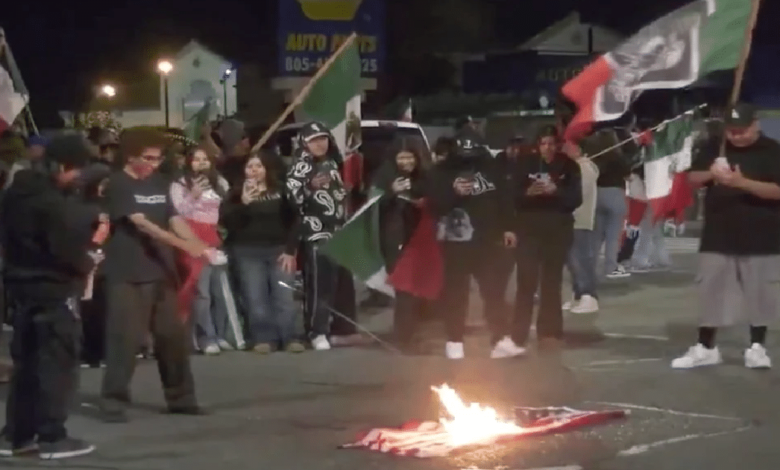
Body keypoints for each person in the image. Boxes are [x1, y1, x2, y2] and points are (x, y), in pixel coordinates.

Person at [99, 127, 210, 422]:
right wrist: (183, 244)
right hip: (128, 273)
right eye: (147, 158)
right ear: (130, 155)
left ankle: (182, 398)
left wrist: (197, 243)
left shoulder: (160, 182)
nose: (153, 164)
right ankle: (114, 400)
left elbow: (173, 217)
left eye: (158, 158)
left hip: (162, 273)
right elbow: (142, 224)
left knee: (172, 339)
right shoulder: (118, 184)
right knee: (125, 340)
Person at [0, 134, 98, 458]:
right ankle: (52, 436)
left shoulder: (13, 194)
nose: (78, 177)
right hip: (54, 288)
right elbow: (65, 248)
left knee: (26, 363)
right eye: (76, 170)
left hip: (19, 286)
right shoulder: (53, 203)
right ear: (61, 166)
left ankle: (16, 435)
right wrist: (88, 262)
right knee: (57, 363)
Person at [672, 103, 780, 370]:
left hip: (761, 234)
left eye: (742, 130)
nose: (736, 136)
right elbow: (692, 178)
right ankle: (706, 347)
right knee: (711, 290)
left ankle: (757, 347)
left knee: (759, 292)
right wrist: (713, 172)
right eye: (732, 131)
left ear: (756, 124)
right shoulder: (715, 146)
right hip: (718, 233)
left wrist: (740, 183)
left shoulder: (772, 150)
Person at [427, 133, 525, 360]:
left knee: (494, 291)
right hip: (455, 243)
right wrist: (454, 193)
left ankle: (500, 339)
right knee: (455, 294)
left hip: (488, 241)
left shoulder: (492, 170)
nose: (468, 161)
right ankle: (454, 341)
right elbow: (434, 206)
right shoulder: (439, 173)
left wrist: (508, 227)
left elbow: (504, 199)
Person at [220, 151, 302, 353]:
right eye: (250, 166)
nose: (254, 170)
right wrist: (244, 204)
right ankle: (263, 338)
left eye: (258, 166)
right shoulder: (234, 194)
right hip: (247, 252)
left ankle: (290, 337)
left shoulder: (280, 190)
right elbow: (227, 224)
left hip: (279, 251)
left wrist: (290, 250)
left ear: (266, 170)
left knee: (284, 296)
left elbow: (296, 221)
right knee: (255, 297)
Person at [512, 126, 582, 350]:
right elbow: (510, 195)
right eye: (543, 143)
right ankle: (518, 333)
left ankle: (549, 330)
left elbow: (575, 198)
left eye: (551, 143)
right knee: (526, 281)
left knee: (551, 282)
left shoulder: (569, 166)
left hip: (558, 230)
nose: (547, 148)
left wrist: (556, 191)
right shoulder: (525, 165)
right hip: (529, 230)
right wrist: (527, 193)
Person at [170, 146, 244, 355]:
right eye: (196, 159)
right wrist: (193, 195)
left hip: (214, 236)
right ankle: (205, 337)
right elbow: (177, 212)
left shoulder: (219, 182)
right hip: (192, 236)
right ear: (188, 162)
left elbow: (226, 208)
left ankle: (221, 334)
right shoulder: (179, 184)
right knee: (201, 292)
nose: (201, 163)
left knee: (219, 290)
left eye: (205, 159)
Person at [286, 122, 348, 351]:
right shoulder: (299, 167)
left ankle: (325, 325)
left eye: (323, 138)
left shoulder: (331, 163)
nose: (320, 144)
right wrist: (310, 186)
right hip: (314, 233)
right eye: (314, 140)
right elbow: (293, 202)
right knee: (317, 285)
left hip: (335, 232)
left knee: (330, 284)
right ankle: (315, 330)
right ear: (304, 142)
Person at [373, 138, 428, 349]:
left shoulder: (423, 176)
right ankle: (403, 336)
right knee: (403, 288)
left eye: (410, 157)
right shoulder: (383, 176)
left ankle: (410, 331)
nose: (406, 161)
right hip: (394, 240)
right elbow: (373, 205)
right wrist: (391, 192)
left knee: (416, 288)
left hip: (420, 238)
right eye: (402, 157)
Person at [586, 129, 632, 279]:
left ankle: (590, 267)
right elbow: (629, 174)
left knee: (596, 236)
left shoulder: (594, 157)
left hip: (597, 194)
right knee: (613, 236)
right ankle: (610, 267)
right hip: (615, 194)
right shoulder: (618, 157)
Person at [562, 141, 600, 314]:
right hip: (573, 220)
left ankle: (588, 296)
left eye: (566, 149)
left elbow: (578, 195)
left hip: (579, 219)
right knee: (572, 260)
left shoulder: (583, 169)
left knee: (580, 259)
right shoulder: (577, 168)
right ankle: (578, 295)